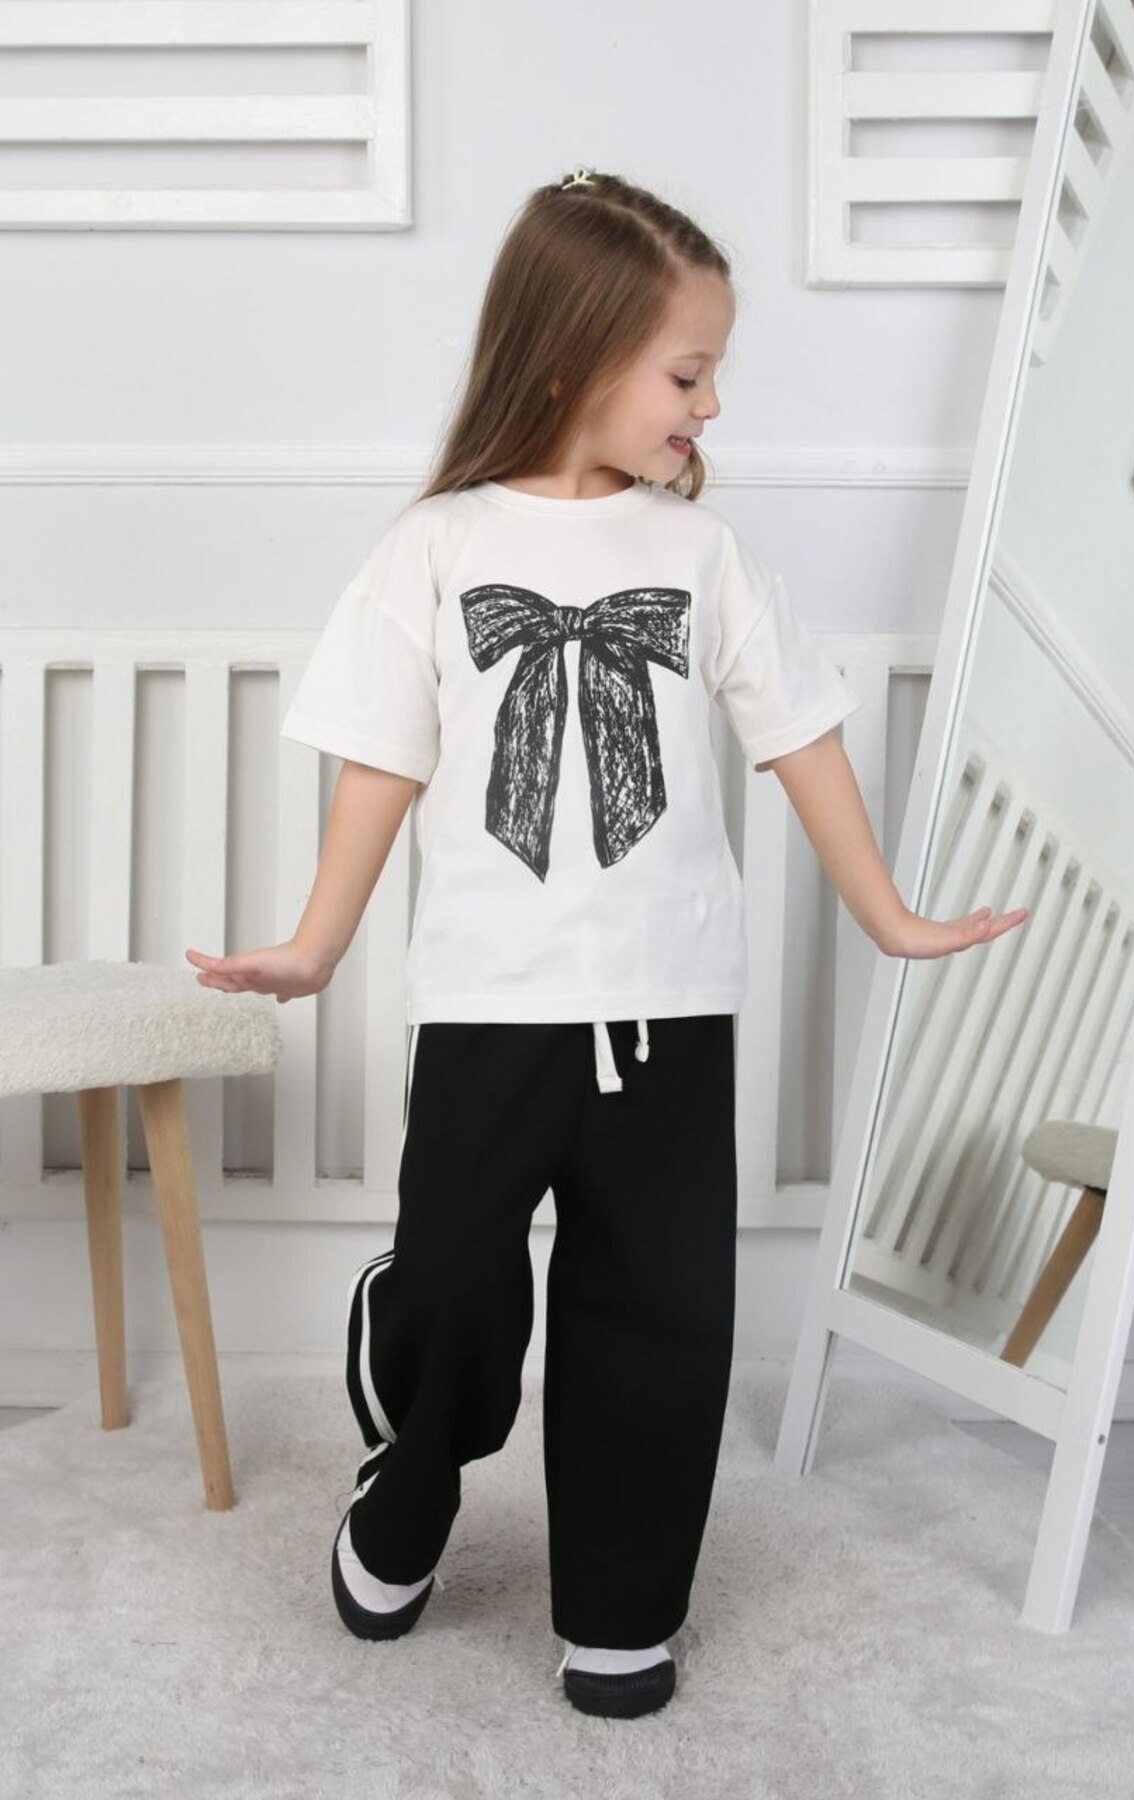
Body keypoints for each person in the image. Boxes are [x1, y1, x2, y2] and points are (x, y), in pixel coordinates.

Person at [186, 166, 1027, 1720]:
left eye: (714, 376)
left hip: (670, 1015)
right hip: (489, 1012)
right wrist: (314, 946)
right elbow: (381, 763)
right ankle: (410, 1480)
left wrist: (892, 917)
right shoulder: (434, 548)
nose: (712, 407)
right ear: (574, 359)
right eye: (688, 375)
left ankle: (623, 1608)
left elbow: (804, 739)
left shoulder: (705, 560)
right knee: (456, 1285)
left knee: (658, 1314)